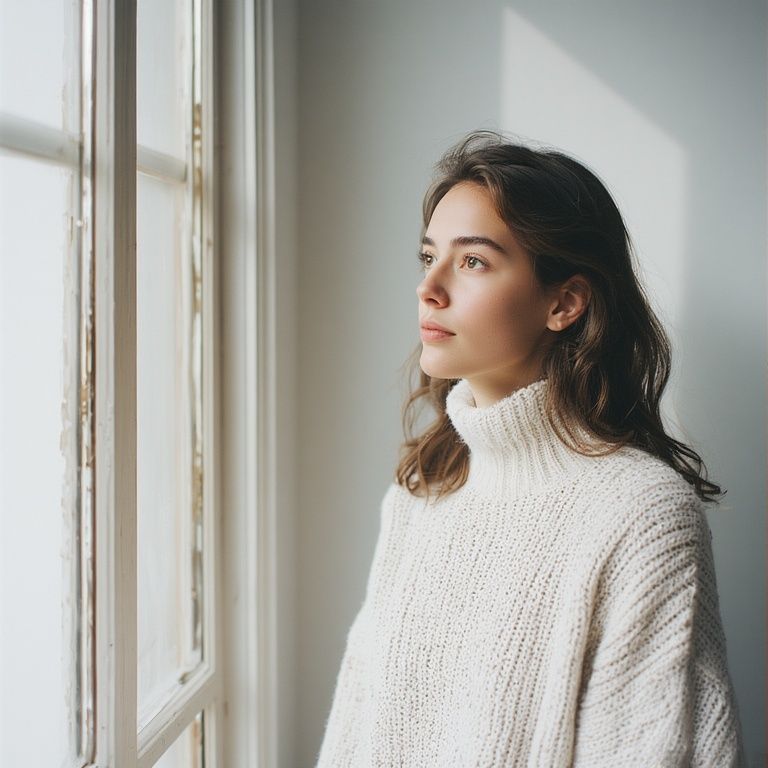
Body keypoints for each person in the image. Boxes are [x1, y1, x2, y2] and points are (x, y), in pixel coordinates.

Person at [315, 130, 746, 766]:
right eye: (427, 256)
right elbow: (356, 728)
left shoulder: (642, 515)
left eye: (472, 262)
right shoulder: (424, 490)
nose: (428, 288)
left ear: (564, 302)